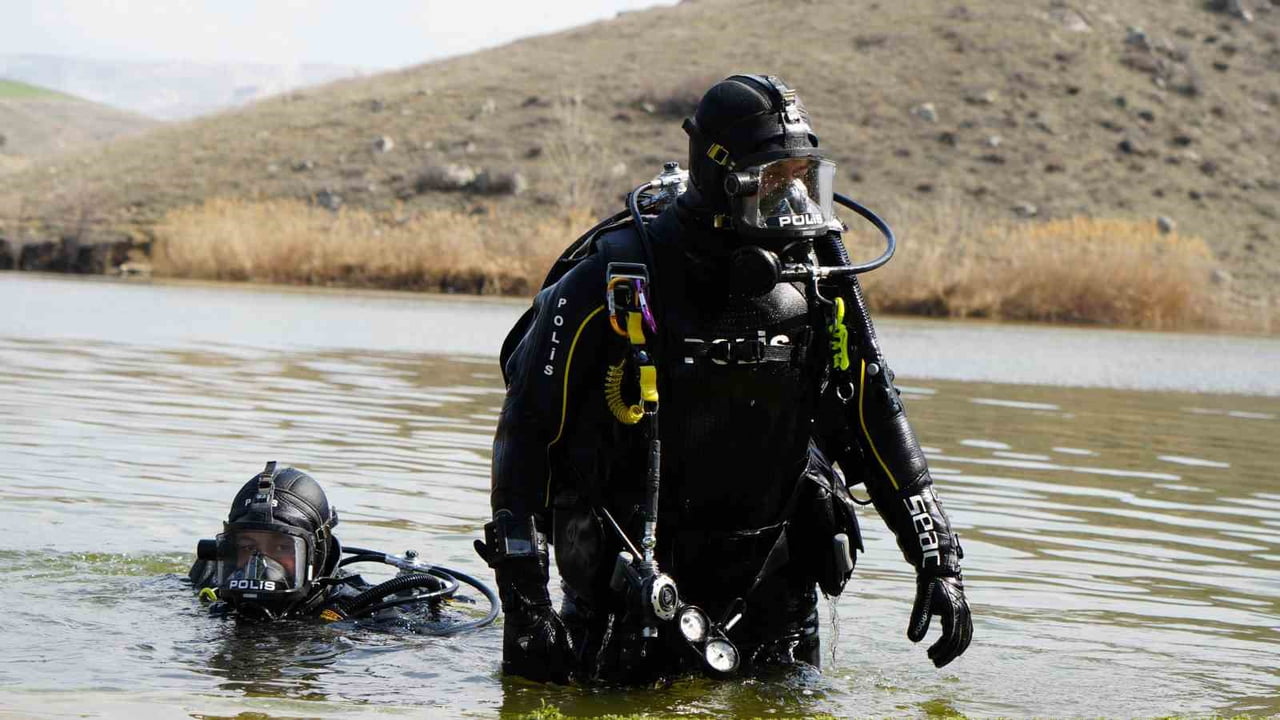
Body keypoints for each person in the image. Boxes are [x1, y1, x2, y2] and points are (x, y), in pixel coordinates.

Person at [476, 74, 972, 684]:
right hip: (633, 595)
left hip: (776, 588)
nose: (791, 200)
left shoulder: (817, 277)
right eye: (773, 180)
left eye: (801, 178)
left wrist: (937, 558)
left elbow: (873, 411)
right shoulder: (617, 274)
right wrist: (527, 604)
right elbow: (525, 435)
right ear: (719, 176)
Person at [192, 461, 498, 630]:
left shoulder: (361, 612)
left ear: (316, 553)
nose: (260, 564)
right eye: (247, 547)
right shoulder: (215, 587)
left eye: (282, 548)